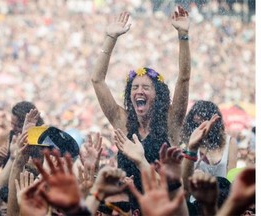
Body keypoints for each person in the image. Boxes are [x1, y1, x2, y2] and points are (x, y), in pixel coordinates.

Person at [91, 6, 191, 208]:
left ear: (158, 95)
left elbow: (184, 78)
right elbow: (97, 80)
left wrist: (183, 35)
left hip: (163, 208)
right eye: (134, 87)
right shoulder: (122, 120)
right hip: (125, 208)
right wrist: (111, 38)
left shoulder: (171, 121)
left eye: (146, 87)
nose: (139, 91)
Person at [180, 100, 237, 178]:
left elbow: (231, 177)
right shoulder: (188, 143)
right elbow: (184, 177)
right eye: (196, 124)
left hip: (222, 189)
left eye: (204, 123)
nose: (200, 128)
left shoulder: (230, 142)